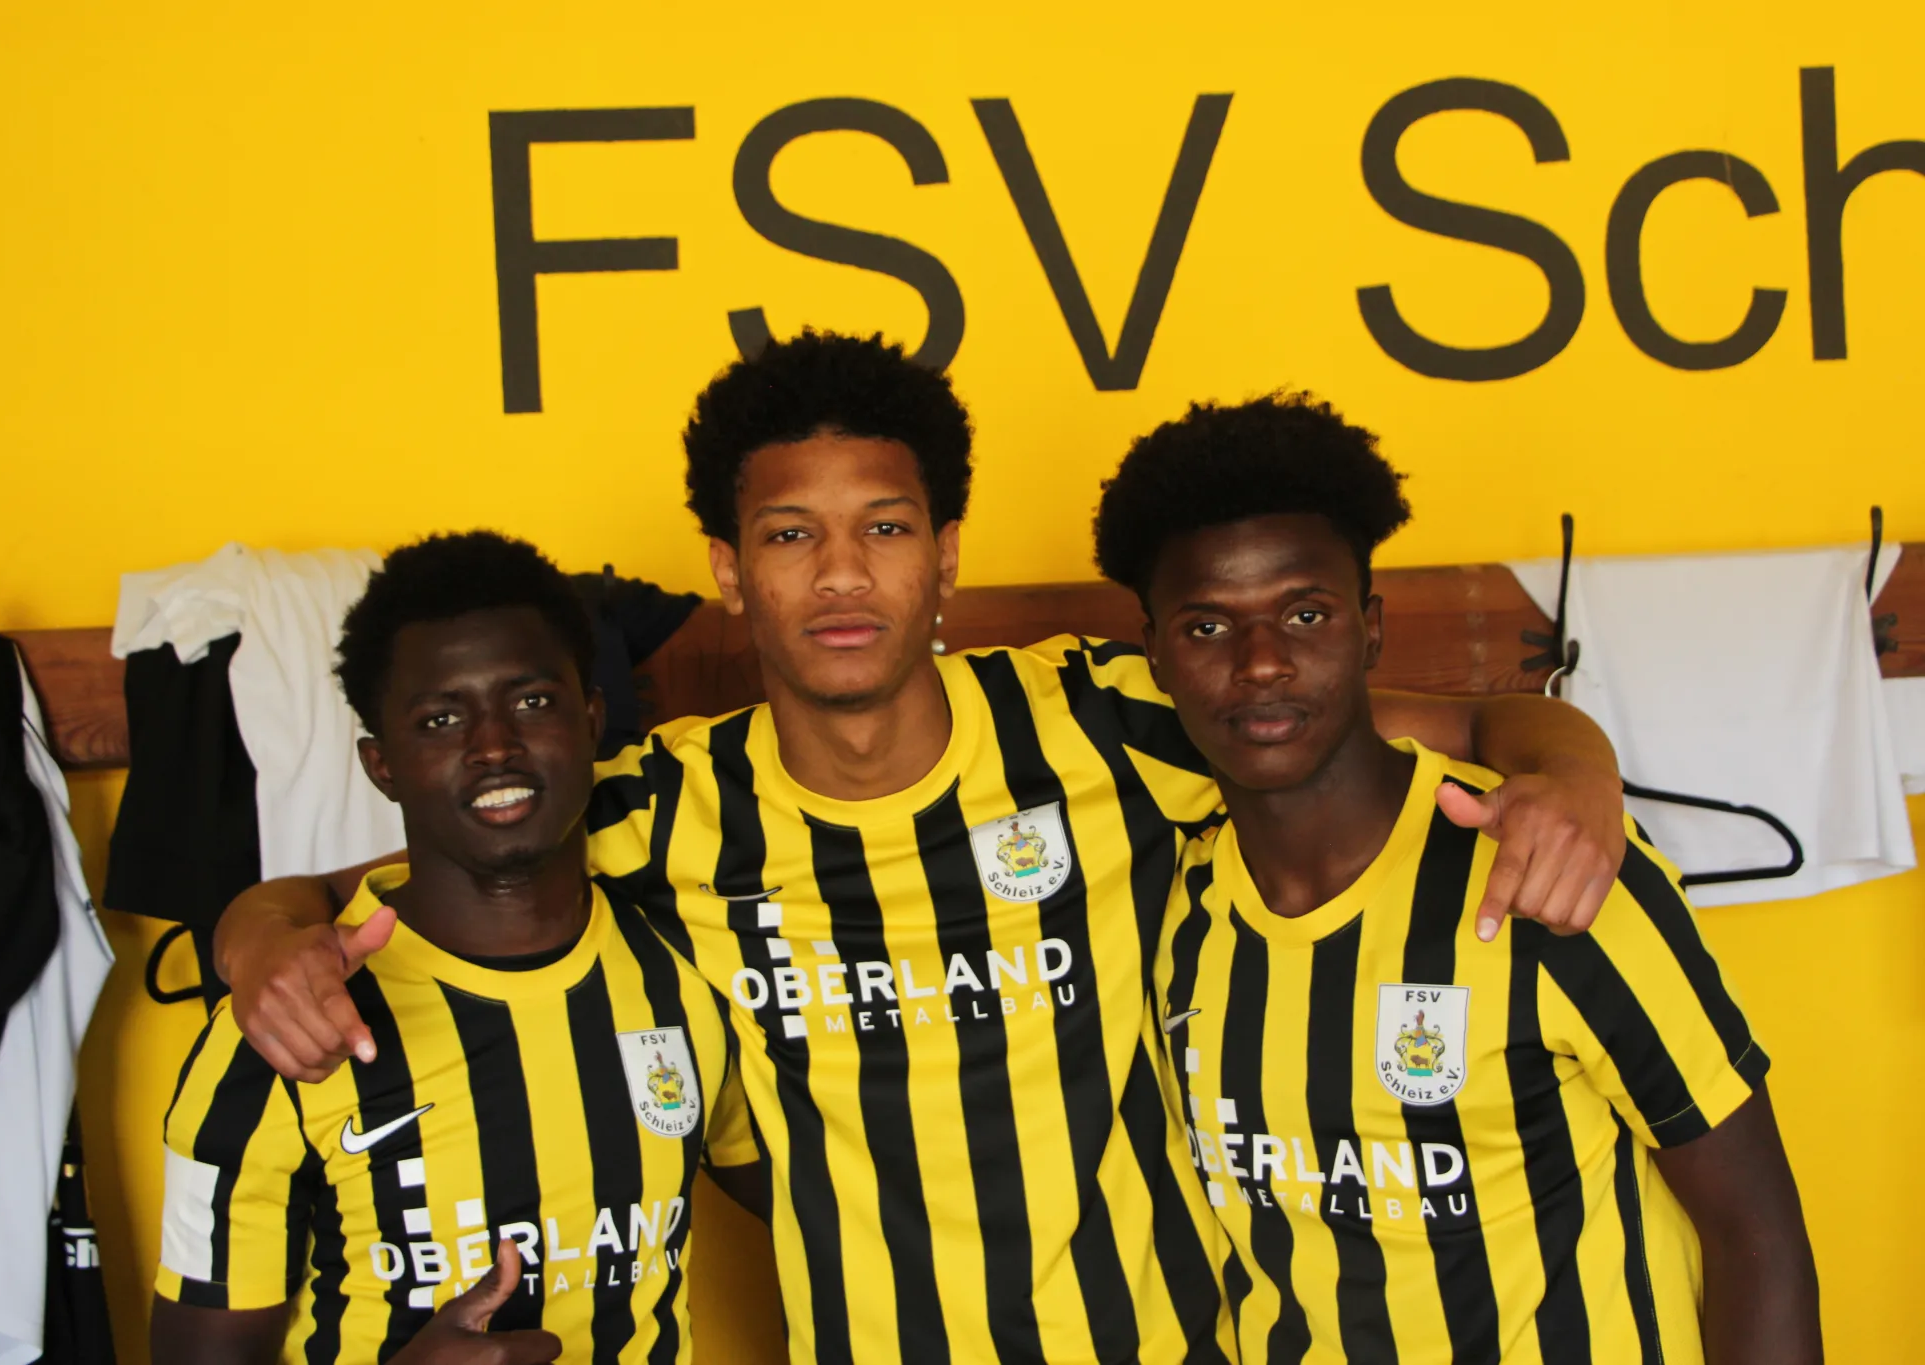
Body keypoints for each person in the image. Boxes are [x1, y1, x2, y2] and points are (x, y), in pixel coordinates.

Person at [215, 332, 1631, 1365]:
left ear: (945, 552)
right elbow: (365, 894)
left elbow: (1469, 721)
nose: (842, 574)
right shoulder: (661, 805)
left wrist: (1575, 773)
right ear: (728, 569)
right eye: (791, 535)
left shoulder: (1102, 722)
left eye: (883, 528)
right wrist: (259, 938)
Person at [1099, 395, 1820, 1364]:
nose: (1262, 663)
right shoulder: (1172, 907)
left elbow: (1757, 1239)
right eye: (1206, 627)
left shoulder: (1546, 866)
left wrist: (1571, 762)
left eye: (1305, 613)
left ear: (1369, 630)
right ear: (1154, 655)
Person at [150, 532, 757, 1364]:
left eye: (532, 701)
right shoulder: (285, 1025)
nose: (493, 745)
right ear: (382, 765)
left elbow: (820, 1188)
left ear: (591, 720)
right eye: (440, 719)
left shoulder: (684, 967)